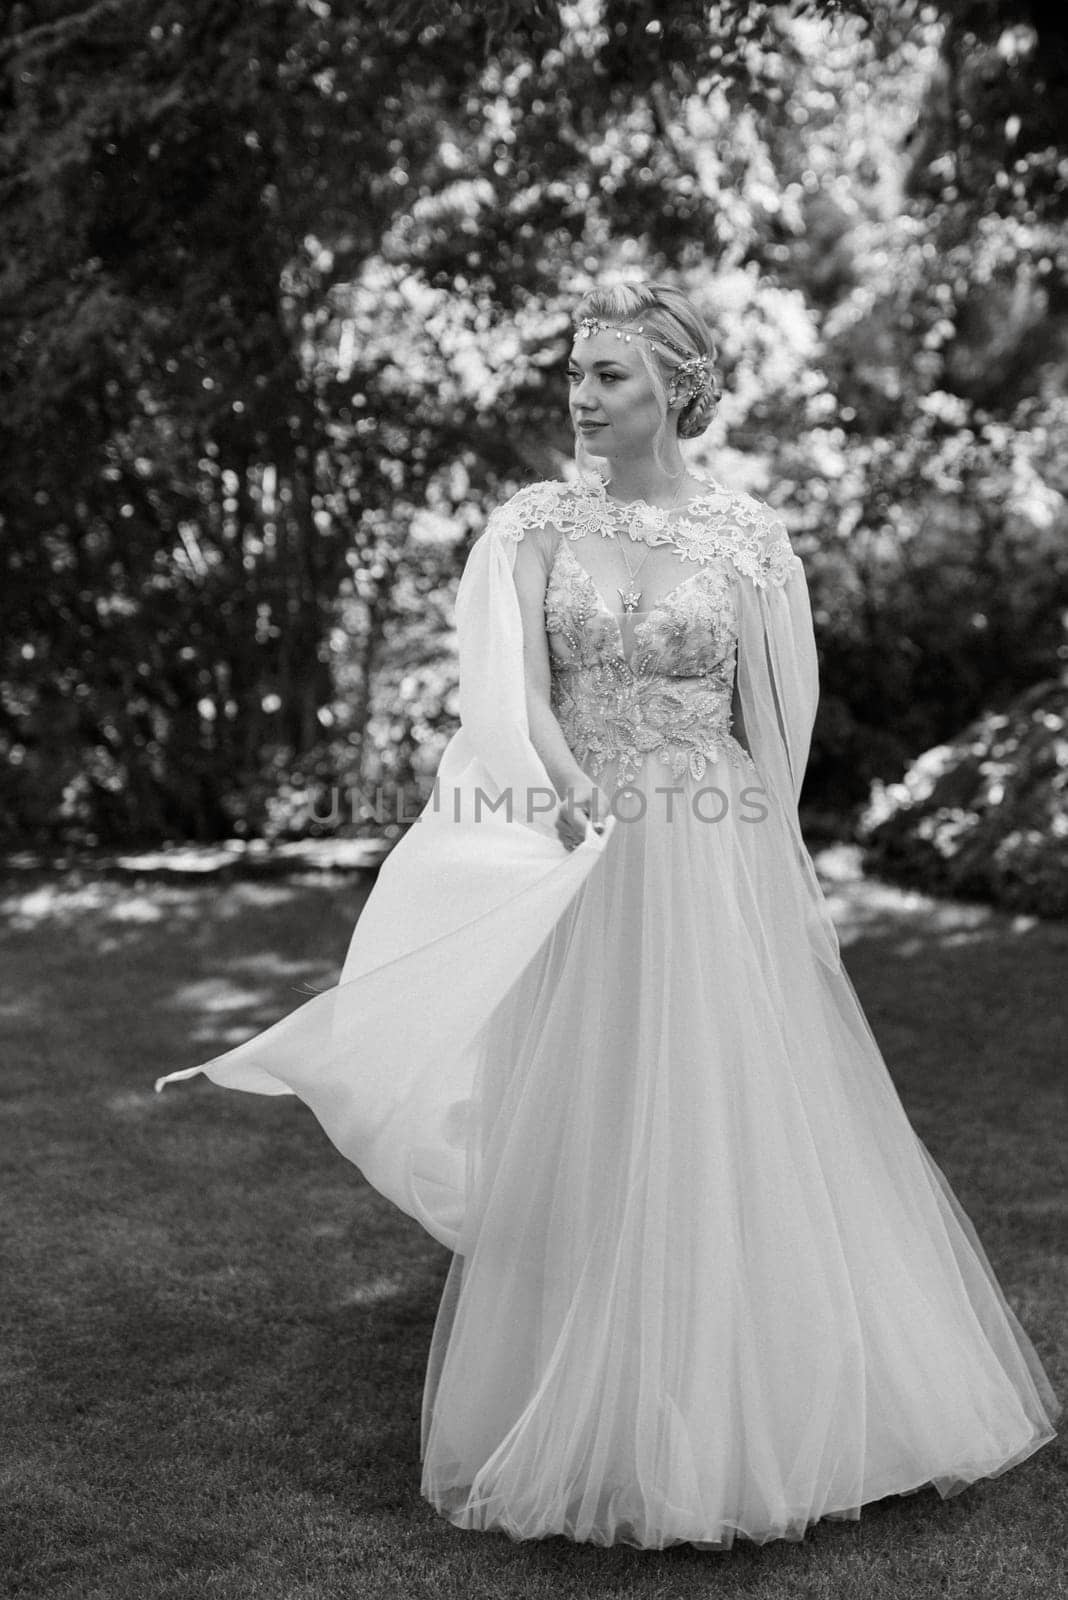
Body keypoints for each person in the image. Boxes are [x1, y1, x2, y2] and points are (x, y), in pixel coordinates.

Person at [157, 281, 1059, 1551]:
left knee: (714, 1094)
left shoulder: (748, 542)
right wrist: (571, 787)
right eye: (575, 373)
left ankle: (744, 1374)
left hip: (709, 847)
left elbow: (776, 725)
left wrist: (760, 857)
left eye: (609, 378)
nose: (581, 397)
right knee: (583, 1098)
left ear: (674, 393)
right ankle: (573, 1366)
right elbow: (513, 689)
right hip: (582, 840)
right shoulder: (533, 524)